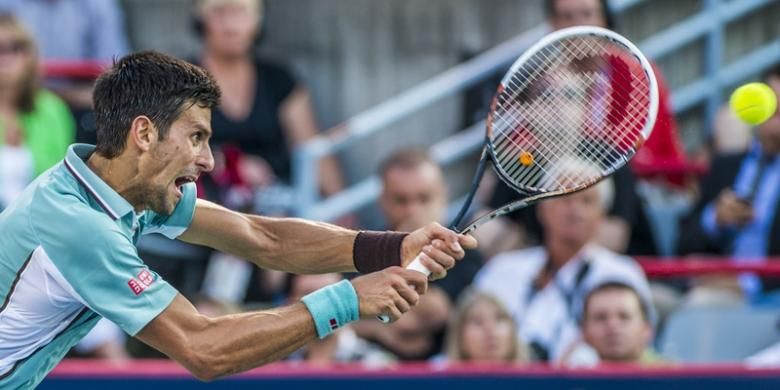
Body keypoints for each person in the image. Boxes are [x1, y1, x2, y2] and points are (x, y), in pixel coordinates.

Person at [0, 51, 476, 388]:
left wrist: (394, 248)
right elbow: (204, 349)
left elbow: (261, 236)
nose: (208, 160)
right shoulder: (81, 226)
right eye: (196, 137)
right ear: (144, 134)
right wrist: (347, 299)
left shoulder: (119, 189)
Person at [474, 164, 651, 362]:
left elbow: (636, 350)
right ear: (542, 208)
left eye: (587, 200)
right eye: (565, 198)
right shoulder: (501, 270)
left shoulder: (623, 274)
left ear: (602, 214)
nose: (575, 210)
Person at [351, 150, 484, 361]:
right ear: (383, 201)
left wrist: (367, 321)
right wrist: (377, 330)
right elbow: (333, 314)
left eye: (424, 199)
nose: (413, 211)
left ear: (443, 196)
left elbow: (421, 317)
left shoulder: (465, 254)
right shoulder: (360, 249)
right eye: (401, 200)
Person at [678, 65, 780, 303]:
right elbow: (683, 243)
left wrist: (743, 283)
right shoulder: (725, 165)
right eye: (773, 111)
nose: (776, 124)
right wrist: (715, 218)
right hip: (713, 285)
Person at [0, 0, 130, 143]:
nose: (6, 59)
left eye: (14, 48)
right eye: (2, 49)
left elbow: (116, 78)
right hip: (24, 98)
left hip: (80, 107)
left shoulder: (97, 5)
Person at [0, 13, 75, 210]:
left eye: (13, 47)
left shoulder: (52, 109)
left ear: (28, 55)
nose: (4, 58)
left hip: (39, 219)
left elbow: (60, 179)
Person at [286, 273, 395, 366]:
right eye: (309, 295)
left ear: (347, 303)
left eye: (329, 296)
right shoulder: (274, 362)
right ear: (291, 304)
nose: (319, 306)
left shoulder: (375, 364)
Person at [562, 281, 663, 366]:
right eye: (601, 318)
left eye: (624, 317)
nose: (612, 325)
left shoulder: (673, 379)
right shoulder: (565, 378)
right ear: (583, 330)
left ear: (647, 329)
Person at [444, 290, 529, 363]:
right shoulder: (438, 377)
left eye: (499, 319)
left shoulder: (536, 379)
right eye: (478, 321)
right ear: (459, 334)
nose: (490, 328)